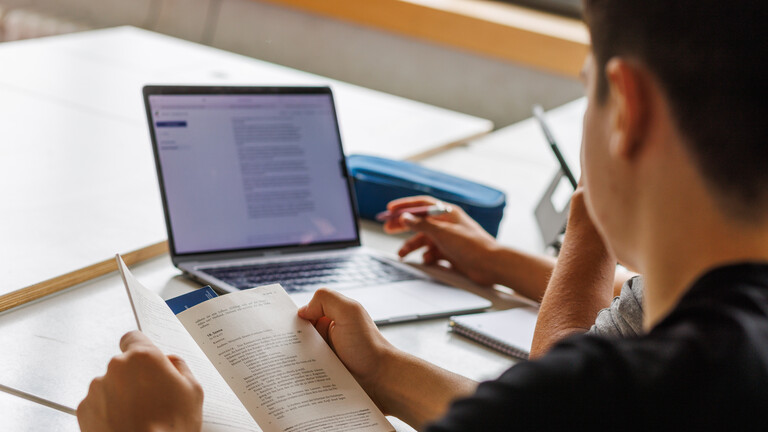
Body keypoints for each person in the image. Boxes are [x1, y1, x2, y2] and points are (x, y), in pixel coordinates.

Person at [78, 0, 768, 430]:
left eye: (587, 94)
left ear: (629, 113)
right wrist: (380, 368)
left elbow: (566, 397)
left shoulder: (623, 392)